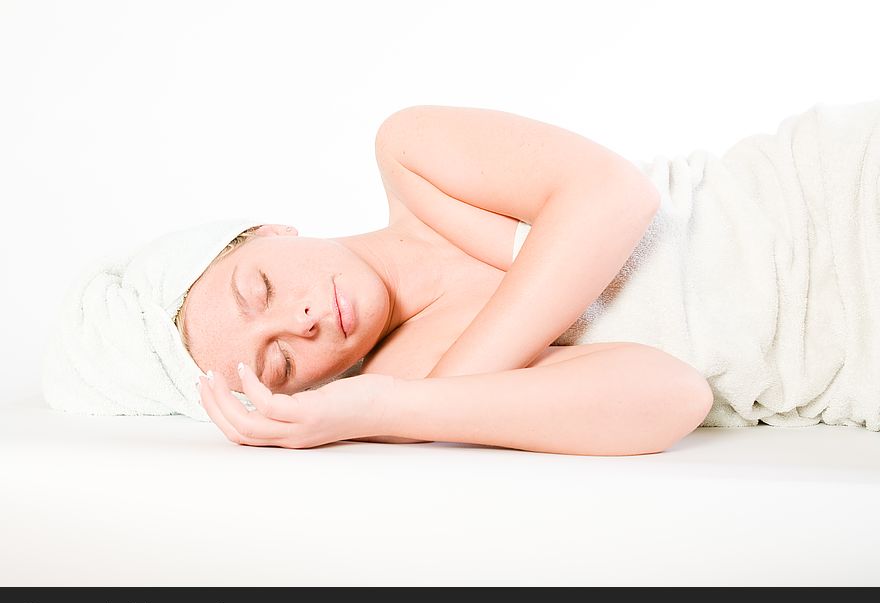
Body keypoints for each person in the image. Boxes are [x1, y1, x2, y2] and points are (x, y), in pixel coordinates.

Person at [45, 101, 880, 455]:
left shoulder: (411, 158)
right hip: (850, 368)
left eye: (259, 288)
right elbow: (673, 394)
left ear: (267, 230)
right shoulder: (417, 387)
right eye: (278, 367)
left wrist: (464, 380)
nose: (298, 325)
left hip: (832, 196)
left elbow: (613, 198)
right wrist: (393, 407)